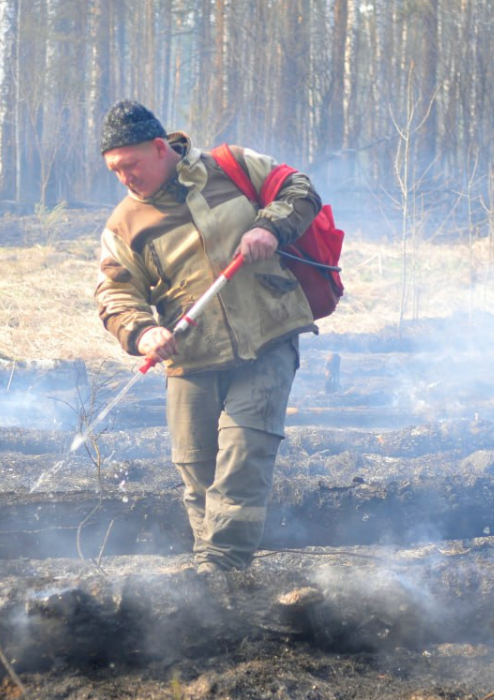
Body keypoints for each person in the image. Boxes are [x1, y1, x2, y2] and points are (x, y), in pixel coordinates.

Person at [93, 100, 322, 573]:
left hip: (267, 336)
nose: (126, 178)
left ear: (160, 148)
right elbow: (116, 294)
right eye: (115, 171)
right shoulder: (123, 224)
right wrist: (143, 333)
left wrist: (270, 228)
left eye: (131, 165)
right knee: (197, 471)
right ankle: (212, 577)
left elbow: (300, 190)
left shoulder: (231, 166)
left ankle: (222, 567)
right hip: (191, 354)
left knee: (243, 455)